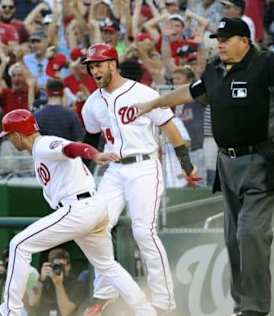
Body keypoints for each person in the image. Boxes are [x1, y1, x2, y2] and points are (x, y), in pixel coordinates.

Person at [133, 17, 274, 316]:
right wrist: (153, 104)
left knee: (250, 233)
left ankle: (255, 309)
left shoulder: (265, 63)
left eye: (226, 39)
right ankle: (242, 306)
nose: (221, 44)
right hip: (227, 164)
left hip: (262, 161)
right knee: (232, 238)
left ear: (245, 40)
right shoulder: (215, 69)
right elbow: (191, 91)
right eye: (219, 39)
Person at [0, 109, 157, 316]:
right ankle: (146, 311)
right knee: (107, 265)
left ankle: (9, 310)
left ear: (17, 134)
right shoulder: (39, 149)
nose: (9, 140)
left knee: (19, 244)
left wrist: (95, 154)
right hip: (93, 206)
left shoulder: (43, 145)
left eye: (9, 135)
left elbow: (73, 147)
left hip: (79, 208)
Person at [80, 43, 200, 316]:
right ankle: (104, 293)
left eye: (98, 64)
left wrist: (187, 166)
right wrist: (82, 174)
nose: (94, 70)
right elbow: (89, 139)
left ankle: (164, 301)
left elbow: (171, 130)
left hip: (144, 167)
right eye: (91, 66)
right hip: (114, 170)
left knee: (143, 231)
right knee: (96, 227)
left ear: (113, 63)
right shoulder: (92, 103)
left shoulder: (143, 93)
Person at [33, 248, 87, 316]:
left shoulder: (77, 285)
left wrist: (58, 284)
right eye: (56, 266)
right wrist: (40, 280)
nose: (58, 269)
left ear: (68, 266)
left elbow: (66, 312)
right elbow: (32, 302)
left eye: (61, 266)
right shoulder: (45, 282)